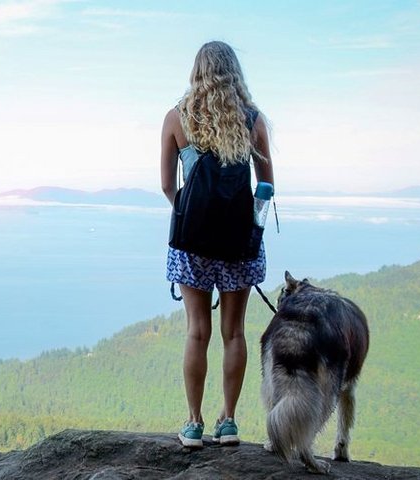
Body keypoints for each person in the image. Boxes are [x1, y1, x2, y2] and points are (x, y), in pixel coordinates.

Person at [159, 41, 274, 448]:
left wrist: (191, 215)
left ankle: (193, 423)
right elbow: (266, 187)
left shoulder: (177, 117)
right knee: (234, 333)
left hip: (192, 244)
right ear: (235, 72)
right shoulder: (253, 120)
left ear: (197, 72)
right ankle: (228, 422)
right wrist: (248, 227)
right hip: (239, 242)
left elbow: (168, 186)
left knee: (196, 332)